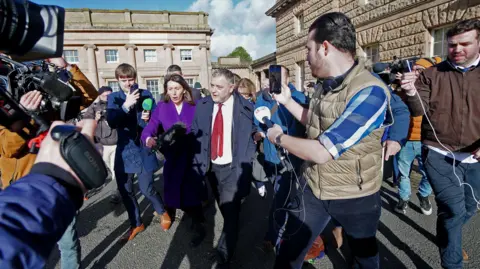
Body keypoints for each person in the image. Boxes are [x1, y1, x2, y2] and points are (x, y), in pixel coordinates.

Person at [266, 12, 392, 269]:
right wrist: (287, 101)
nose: (306, 56)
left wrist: (278, 137)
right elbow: (315, 122)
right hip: (314, 187)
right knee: (288, 255)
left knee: (365, 257)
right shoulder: (324, 85)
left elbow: (323, 150)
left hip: (357, 194)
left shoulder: (371, 92)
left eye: (308, 49)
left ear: (325, 48)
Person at [400, 19, 480, 269]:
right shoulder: (432, 74)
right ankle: (451, 262)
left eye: (465, 44)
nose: (457, 49)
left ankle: (447, 235)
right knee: (454, 210)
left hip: (475, 159)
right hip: (437, 154)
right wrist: (411, 92)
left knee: (469, 208)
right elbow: (417, 110)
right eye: (452, 45)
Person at [0, 120, 95, 269]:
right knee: (26, 251)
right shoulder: (8, 116)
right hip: (20, 190)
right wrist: (27, 118)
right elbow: (7, 147)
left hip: (56, 183)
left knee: (68, 241)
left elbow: (79, 99)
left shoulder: (43, 106)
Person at [190, 68, 256, 268]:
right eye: (212, 85)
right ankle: (229, 236)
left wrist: (254, 142)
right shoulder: (202, 106)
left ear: (231, 87)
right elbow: (195, 130)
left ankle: (225, 253)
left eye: (219, 87)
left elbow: (255, 130)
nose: (214, 90)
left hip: (232, 168)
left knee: (230, 211)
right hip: (210, 167)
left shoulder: (246, 108)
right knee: (223, 207)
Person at [141, 74, 206, 247]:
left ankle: (199, 224)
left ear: (184, 88)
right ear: (166, 90)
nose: (174, 92)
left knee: (193, 194)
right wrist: (148, 138)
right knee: (174, 192)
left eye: (177, 88)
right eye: (170, 89)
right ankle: (187, 214)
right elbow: (151, 126)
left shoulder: (196, 105)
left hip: (193, 157)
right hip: (173, 157)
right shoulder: (162, 106)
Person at [106, 63, 169, 241]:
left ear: (135, 78)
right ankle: (136, 223)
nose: (127, 83)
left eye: (130, 79)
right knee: (126, 191)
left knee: (147, 188)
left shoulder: (146, 94)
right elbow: (111, 121)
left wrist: (148, 120)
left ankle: (161, 210)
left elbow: (157, 122)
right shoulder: (114, 98)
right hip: (125, 150)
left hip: (143, 148)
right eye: (123, 80)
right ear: (117, 80)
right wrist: (126, 106)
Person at [253, 66, 308, 249]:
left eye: (277, 77)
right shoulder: (262, 98)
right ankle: (280, 234)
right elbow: (257, 121)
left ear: (287, 79)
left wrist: (281, 135)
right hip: (270, 158)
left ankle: (274, 237)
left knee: (281, 199)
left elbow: (303, 127)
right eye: (270, 77)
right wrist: (259, 131)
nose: (272, 81)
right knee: (280, 196)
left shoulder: (298, 98)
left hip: (291, 159)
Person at [394, 57, 441, 215]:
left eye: (419, 70)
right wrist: (401, 89)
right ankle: (404, 197)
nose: (414, 72)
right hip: (406, 140)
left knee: (430, 173)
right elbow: (396, 110)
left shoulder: (434, 89)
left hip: (426, 140)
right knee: (403, 173)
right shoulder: (403, 89)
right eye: (413, 69)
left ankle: (423, 194)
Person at [82, 86, 121, 203]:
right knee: (107, 164)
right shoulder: (94, 107)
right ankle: (119, 185)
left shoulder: (116, 104)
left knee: (115, 168)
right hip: (102, 143)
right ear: (99, 95)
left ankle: (116, 192)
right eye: (104, 95)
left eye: (109, 95)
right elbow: (86, 120)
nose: (107, 97)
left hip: (115, 141)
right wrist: (96, 118)